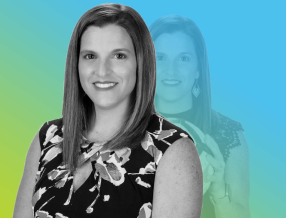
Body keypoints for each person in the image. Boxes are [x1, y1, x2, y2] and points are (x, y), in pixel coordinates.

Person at [13, 4, 203, 218]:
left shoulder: (173, 150)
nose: (102, 71)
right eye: (90, 56)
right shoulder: (48, 138)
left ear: (141, 63)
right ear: (76, 64)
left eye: (119, 56)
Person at [150, 15, 250, 218]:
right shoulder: (122, 127)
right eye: (160, 58)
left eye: (184, 58)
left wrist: (219, 190)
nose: (171, 70)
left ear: (198, 69)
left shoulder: (229, 134)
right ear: (147, 66)